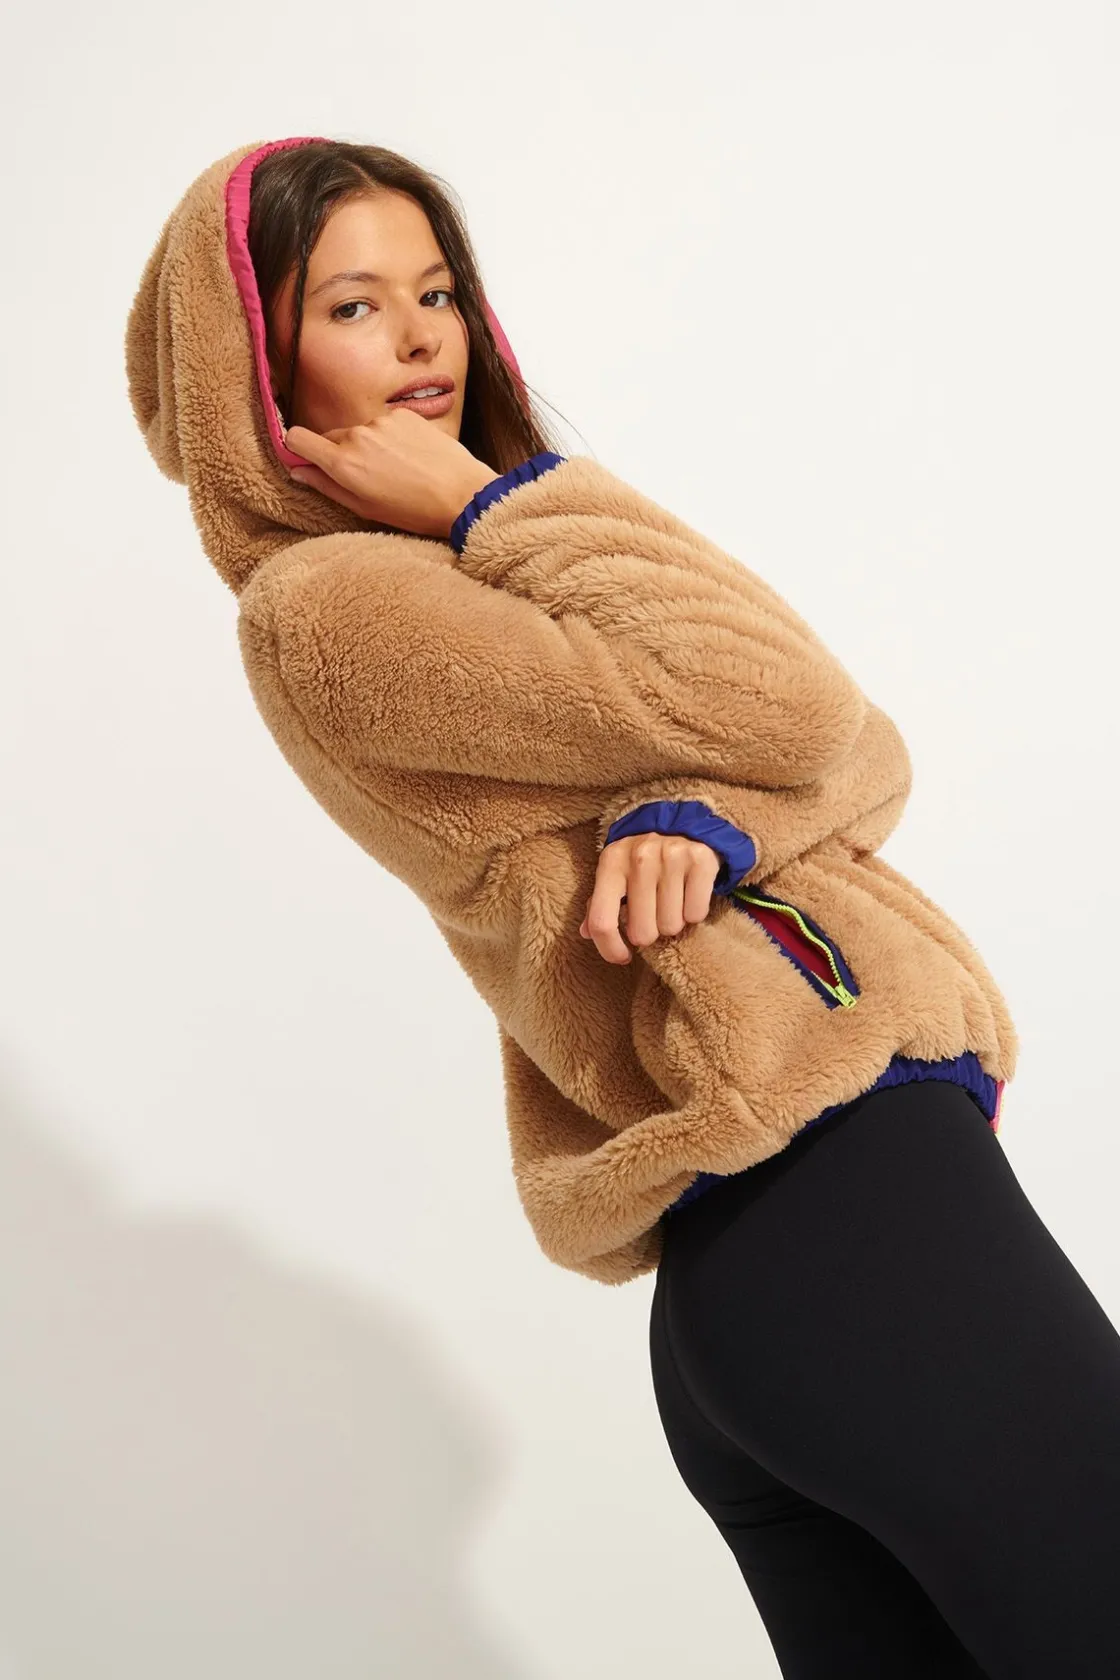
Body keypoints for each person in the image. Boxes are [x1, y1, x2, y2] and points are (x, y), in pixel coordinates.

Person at [125, 135, 1120, 1675]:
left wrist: (712, 818)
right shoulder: (336, 606)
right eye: (353, 306)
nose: (421, 340)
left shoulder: (491, 575)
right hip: (840, 1209)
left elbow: (862, 750)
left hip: (793, 1247)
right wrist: (491, 500)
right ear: (252, 361)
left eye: (438, 293)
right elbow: (792, 705)